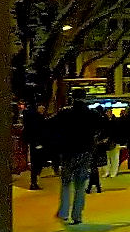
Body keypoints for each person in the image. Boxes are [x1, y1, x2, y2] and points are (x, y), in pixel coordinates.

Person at [56, 89, 100, 224]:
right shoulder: (92, 114)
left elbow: (54, 128)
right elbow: (99, 129)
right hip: (85, 152)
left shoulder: (64, 113)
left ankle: (64, 212)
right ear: (85, 97)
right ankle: (77, 215)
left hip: (68, 152)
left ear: (72, 98)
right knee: (80, 185)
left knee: (66, 183)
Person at [25, 103, 48, 190]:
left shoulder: (32, 118)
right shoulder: (38, 119)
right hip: (37, 143)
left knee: (36, 162)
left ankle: (34, 181)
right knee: (37, 162)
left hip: (34, 143)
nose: (43, 109)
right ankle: (34, 182)